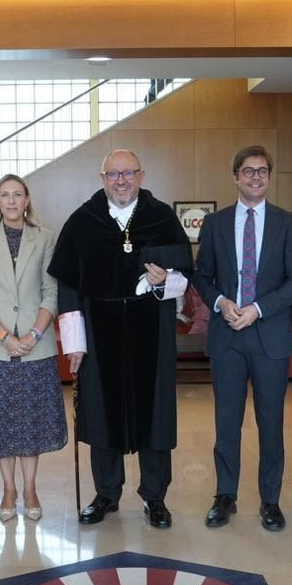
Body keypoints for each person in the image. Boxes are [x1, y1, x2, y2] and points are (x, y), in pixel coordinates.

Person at [50, 149, 192, 529]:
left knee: (155, 415)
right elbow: (67, 285)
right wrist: (74, 342)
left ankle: (155, 497)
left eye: (128, 173)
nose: (121, 181)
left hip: (152, 329)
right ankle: (106, 493)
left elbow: (185, 277)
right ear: (102, 179)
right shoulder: (83, 221)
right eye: (113, 174)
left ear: (141, 175)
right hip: (100, 332)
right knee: (101, 413)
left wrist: (167, 281)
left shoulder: (161, 217)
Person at [193, 145, 292, 530]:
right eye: (248, 170)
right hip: (227, 338)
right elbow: (202, 276)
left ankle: (270, 500)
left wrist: (257, 309)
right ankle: (225, 496)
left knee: (271, 423)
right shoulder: (215, 223)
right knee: (227, 423)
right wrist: (222, 301)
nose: (255, 177)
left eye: (262, 171)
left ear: (268, 178)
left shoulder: (287, 222)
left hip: (269, 335)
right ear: (236, 177)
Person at [0, 174, 67, 522]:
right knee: (1, 424)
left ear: (27, 201)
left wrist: (35, 335)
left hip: (36, 346)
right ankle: (8, 489)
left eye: (17, 195)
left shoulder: (45, 238)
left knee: (31, 422)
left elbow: (50, 292)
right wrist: (5, 336)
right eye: (4, 195)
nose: (11, 201)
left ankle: (30, 488)